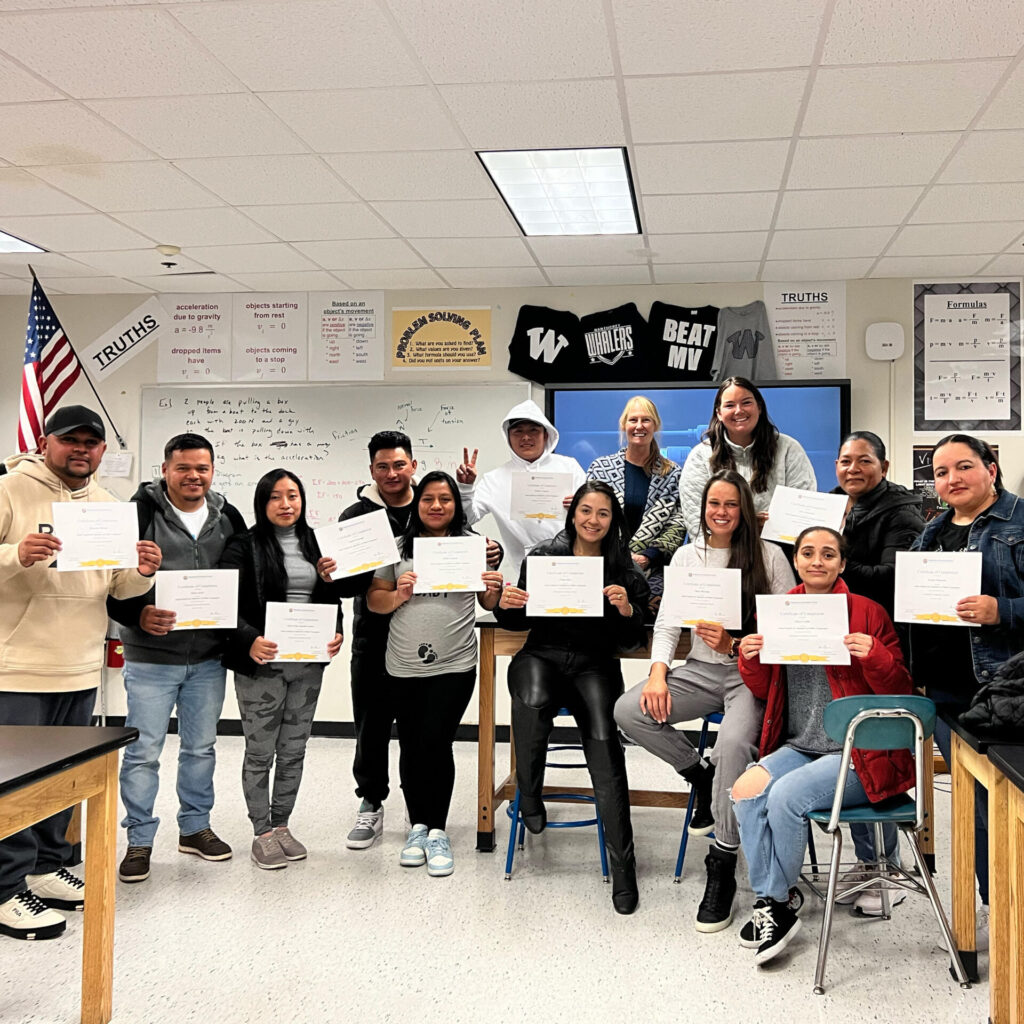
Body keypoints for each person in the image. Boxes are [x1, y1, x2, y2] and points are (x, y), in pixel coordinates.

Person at [0, 405, 160, 941]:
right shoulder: (8, 489)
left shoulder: (108, 506)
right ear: (47, 442)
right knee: (15, 786)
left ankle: (47, 867)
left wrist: (140, 572)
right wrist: (14, 554)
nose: (82, 450)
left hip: (80, 665)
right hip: (17, 667)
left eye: (91, 443)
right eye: (71, 441)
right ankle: (5, 889)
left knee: (62, 781)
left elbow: (119, 589)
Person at [614, 470, 794, 931]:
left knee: (734, 745)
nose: (721, 512)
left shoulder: (769, 556)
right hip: (696, 672)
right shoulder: (686, 556)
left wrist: (737, 644)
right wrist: (658, 673)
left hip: (747, 678)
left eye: (731, 504)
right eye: (714, 503)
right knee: (629, 710)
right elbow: (670, 622)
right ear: (703, 507)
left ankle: (723, 860)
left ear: (745, 511)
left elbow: (790, 627)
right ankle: (700, 773)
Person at [730, 526, 914, 965]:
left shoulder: (867, 612)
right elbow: (763, 687)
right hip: (800, 744)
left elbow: (901, 689)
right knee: (745, 792)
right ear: (795, 561)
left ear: (842, 563)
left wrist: (876, 656)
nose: (817, 561)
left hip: (858, 753)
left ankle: (774, 903)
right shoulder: (780, 611)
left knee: (787, 799)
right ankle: (777, 899)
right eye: (808, 553)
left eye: (828, 554)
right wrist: (749, 658)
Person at [335, 431, 501, 851]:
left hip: (450, 655)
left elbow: (484, 592)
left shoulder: (463, 539)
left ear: (412, 466)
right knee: (375, 727)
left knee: (432, 738)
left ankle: (427, 818)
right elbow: (362, 587)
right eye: (382, 466)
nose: (392, 473)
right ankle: (373, 802)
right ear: (372, 470)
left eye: (399, 465)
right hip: (380, 642)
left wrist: (491, 574)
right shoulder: (359, 516)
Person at [495, 480, 650, 914]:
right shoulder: (545, 555)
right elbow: (515, 616)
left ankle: (624, 869)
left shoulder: (625, 568)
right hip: (541, 655)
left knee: (604, 742)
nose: (593, 520)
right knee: (532, 698)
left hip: (594, 664)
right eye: (586, 511)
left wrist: (626, 610)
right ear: (573, 513)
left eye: (603, 513)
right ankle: (529, 793)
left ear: (613, 520)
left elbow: (634, 638)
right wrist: (507, 603)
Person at [109, 433, 246, 884]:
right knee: (144, 752)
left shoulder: (229, 517)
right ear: (165, 469)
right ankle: (140, 839)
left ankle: (194, 827)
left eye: (202, 468)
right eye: (183, 468)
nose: (193, 476)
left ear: (212, 470)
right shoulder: (138, 513)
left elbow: (248, 577)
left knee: (200, 749)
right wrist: (137, 613)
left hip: (207, 658)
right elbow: (110, 581)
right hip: (150, 657)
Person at [909, 433, 1024, 949]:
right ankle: (995, 906)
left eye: (963, 467)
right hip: (945, 693)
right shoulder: (931, 532)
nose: (951, 479)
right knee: (973, 803)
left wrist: (1003, 611)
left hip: (1002, 691)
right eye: (940, 472)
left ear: (991, 468)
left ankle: (1010, 903)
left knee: (1004, 803)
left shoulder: (1019, 523)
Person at [366, 471, 502, 878]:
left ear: (455, 505)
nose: (437, 506)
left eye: (445, 499)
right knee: (410, 743)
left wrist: (492, 585)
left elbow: (489, 601)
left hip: (455, 663)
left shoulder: (473, 546)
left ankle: (438, 829)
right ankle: (417, 826)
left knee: (437, 741)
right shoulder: (396, 548)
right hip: (403, 663)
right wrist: (398, 593)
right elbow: (375, 601)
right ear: (417, 504)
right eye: (428, 499)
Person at [219, 470, 344, 870]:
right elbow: (225, 603)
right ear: (262, 502)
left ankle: (283, 823)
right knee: (260, 752)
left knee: (293, 751)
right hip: (263, 664)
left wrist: (338, 632)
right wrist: (248, 639)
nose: (286, 504)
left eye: (293, 495)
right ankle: (262, 832)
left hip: (307, 666)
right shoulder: (244, 546)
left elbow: (330, 601)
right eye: (276, 497)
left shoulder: (316, 544)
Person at [832, 430, 924, 910]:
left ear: (883, 467)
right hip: (837, 640)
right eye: (845, 460)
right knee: (849, 746)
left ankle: (884, 867)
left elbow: (894, 578)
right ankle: (870, 860)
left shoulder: (901, 511)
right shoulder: (832, 504)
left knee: (874, 746)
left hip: (880, 641)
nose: (852, 469)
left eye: (863, 461)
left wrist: (835, 570)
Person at [457, 398, 586, 576]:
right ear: (508, 437)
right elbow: (467, 519)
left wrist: (582, 508)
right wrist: (465, 488)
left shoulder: (569, 467)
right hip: (521, 573)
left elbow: (593, 518)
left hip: (573, 567)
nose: (526, 437)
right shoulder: (494, 479)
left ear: (546, 435)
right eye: (518, 431)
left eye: (533, 430)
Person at [679, 376, 815, 541]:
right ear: (719, 413)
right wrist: (749, 527)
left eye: (746, 403)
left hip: (781, 553)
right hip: (719, 556)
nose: (738, 410)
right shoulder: (700, 457)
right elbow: (697, 524)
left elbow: (800, 516)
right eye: (730, 405)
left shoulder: (788, 450)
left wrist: (770, 531)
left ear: (759, 407)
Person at [586, 396, 686, 618]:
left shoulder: (672, 474)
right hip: (605, 568)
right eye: (633, 420)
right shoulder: (601, 468)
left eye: (646, 420)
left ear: (656, 425)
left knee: (650, 630)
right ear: (624, 425)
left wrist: (648, 556)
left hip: (655, 570)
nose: (639, 426)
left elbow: (678, 523)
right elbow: (588, 519)